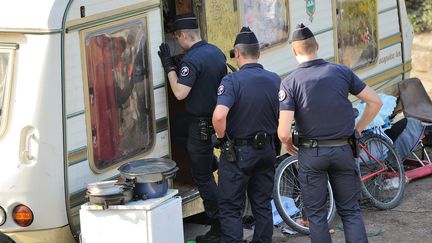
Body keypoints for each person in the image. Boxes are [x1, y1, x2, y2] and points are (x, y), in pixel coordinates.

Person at [277, 23, 383, 243]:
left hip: (312, 154)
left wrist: (287, 144)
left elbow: (284, 132)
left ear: (294, 51)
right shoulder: (341, 71)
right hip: (344, 150)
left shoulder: (289, 83)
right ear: (317, 46)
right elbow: (375, 102)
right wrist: (357, 129)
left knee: (316, 216)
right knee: (351, 212)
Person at [157, 13, 227, 243]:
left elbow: (179, 92)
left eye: (178, 39)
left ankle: (218, 227)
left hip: (200, 126)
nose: (179, 44)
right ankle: (212, 166)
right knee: (184, 141)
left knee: (202, 177)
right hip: (215, 121)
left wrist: (169, 67)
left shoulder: (192, 59)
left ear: (184, 35)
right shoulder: (216, 52)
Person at [212, 27, 281, 243]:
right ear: (258, 53)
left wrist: (222, 140)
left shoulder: (231, 82)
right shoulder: (275, 79)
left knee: (231, 207)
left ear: (237, 53)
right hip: (267, 150)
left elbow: (219, 116)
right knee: (262, 204)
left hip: (238, 153)